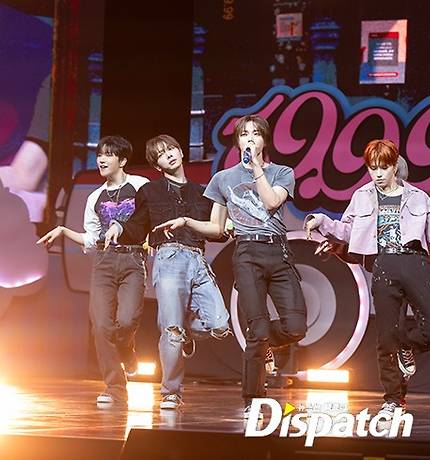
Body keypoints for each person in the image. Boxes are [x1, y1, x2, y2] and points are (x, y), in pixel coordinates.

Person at [304, 139, 430, 420]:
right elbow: (347, 231)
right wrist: (321, 221)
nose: (378, 174)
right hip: (384, 265)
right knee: (386, 337)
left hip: (415, 263)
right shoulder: (361, 196)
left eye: (383, 168)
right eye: (372, 168)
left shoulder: (419, 198)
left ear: (395, 166)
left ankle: (406, 347)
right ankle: (393, 400)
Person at [153, 115, 307, 419]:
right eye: (244, 134)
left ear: (264, 140)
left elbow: (272, 202)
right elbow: (216, 227)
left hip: (278, 251)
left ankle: (264, 343)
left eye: (255, 134)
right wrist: (186, 221)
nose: (249, 138)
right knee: (257, 329)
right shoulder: (223, 179)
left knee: (296, 327)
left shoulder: (282, 172)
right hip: (247, 252)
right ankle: (253, 399)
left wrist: (257, 168)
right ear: (237, 142)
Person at [104, 134, 231, 410]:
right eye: (161, 154)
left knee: (220, 325)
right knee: (171, 330)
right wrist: (118, 227)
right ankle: (171, 392)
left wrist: (228, 227)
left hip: (198, 259)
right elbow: (137, 226)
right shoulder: (150, 191)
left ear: (181, 152)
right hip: (169, 258)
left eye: (171, 149)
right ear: (156, 164)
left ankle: (187, 332)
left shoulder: (202, 192)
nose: (169, 154)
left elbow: (216, 230)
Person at [37, 135, 149, 405]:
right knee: (100, 326)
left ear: (122, 160)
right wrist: (63, 230)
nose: (101, 159)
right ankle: (115, 388)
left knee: (126, 321)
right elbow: (91, 237)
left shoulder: (141, 186)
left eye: (108, 154)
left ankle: (127, 352)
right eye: (99, 154)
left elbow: (148, 218)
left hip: (133, 259)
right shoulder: (94, 197)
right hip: (104, 262)